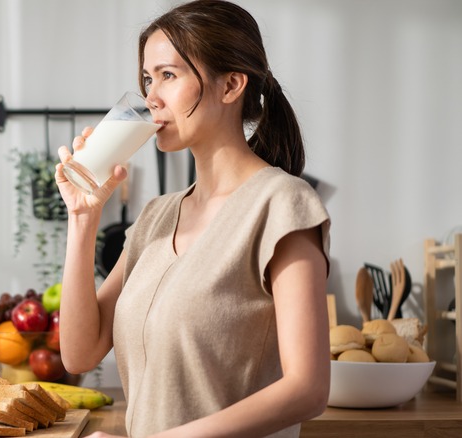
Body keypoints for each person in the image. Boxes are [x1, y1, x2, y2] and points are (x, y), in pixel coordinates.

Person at [54, 1, 331, 437]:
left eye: (168, 75)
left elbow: (308, 389)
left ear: (231, 85)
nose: (151, 98)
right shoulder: (155, 217)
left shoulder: (282, 204)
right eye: (148, 78)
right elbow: (79, 354)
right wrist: (82, 218)